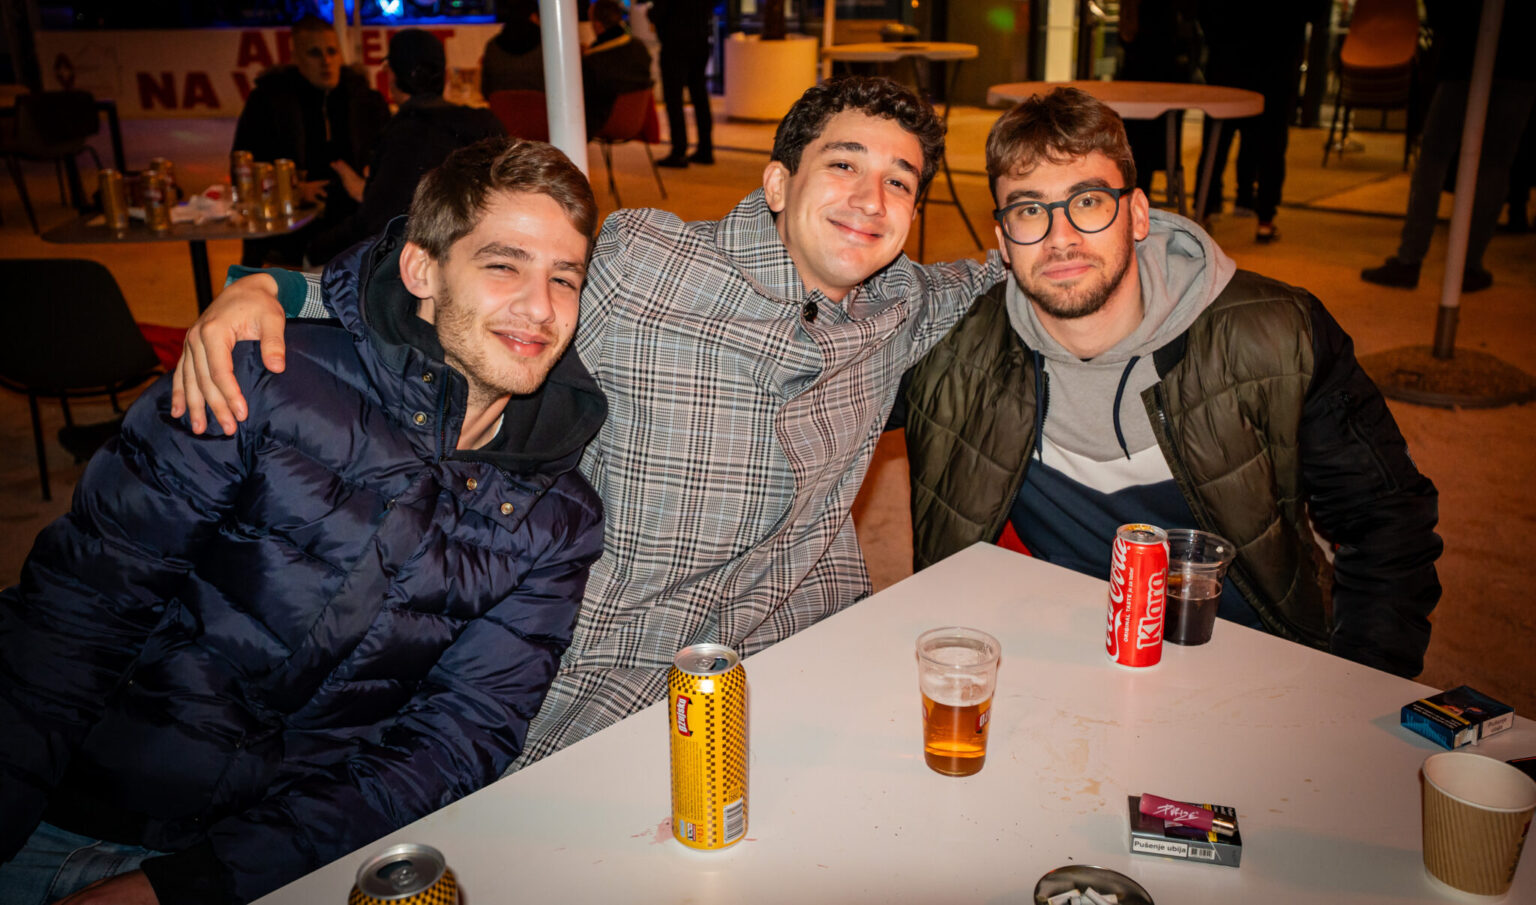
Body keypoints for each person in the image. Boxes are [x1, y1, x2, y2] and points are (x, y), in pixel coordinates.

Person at [168, 76, 1006, 770]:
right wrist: (280, 289)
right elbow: (472, 281)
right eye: (845, 164)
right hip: (613, 659)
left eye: (900, 181)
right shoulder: (650, 261)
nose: (871, 199)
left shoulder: (900, 303)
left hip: (801, 649)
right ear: (779, 184)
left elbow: (1005, 267)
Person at [0, 139, 608, 904]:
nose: (541, 307)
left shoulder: (558, 516)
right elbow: (77, 613)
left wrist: (189, 884)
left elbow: (455, 739)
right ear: (422, 271)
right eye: (503, 265)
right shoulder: (259, 378)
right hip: (69, 805)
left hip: (281, 859)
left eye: (564, 277)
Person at [896, 87, 1443, 680]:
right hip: (1053, 662)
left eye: (1088, 201)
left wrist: (1360, 686)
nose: (1060, 238)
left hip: (1251, 663)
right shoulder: (955, 350)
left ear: (1137, 215)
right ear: (1003, 241)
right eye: (1029, 210)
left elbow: (1387, 519)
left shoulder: (1278, 335)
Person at [1360, 0, 1536, 292]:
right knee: (1494, 163)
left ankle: (1412, 258)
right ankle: (1468, 264)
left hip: (1466, 60)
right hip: (1520, 64)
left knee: (1436, 157)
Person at [1198, 0, 1330, 242]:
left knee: (1217, 139)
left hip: (1230, 67)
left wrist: (1220, 44)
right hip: (1277, 67)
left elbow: (1207, 8)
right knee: (1272, 143)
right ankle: (1265, 218)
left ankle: (1205, 208)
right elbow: (1318, 11)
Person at [312, 28, 505, 264]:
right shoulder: (484, 123)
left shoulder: (405, 134)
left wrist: (313, 250)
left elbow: (376, 223)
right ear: (444, 76)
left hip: (425, 263)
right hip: (483, 253)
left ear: (392, 76)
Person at [231, 16, 390, 266]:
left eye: (332, 52)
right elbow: (244, 169)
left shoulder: (365, 101)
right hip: (290, 230)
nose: (326, 61)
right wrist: (291, 189)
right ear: (295, 58)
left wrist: (365, 187)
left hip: (355, 226)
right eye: (315, 53)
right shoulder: (268, 102)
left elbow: (391, 164)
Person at [1119, 0, 1181, 197]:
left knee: (1134, 143)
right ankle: (1142, 197)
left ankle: (1132, 193)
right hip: (1156, 78)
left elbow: (1127, 36)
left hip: (1133, 75)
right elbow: (1168, 38)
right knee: (1152, 143)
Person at [650, 0, 715, 167]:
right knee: (699, 95)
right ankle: (705, 149)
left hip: (675, 43)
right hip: (700, 41)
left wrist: (652, 16)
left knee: (674, 98)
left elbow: (659, 10)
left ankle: (679, 150)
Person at [581, 0, 654, 133]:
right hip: (637, 119)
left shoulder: (593, 59)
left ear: (598, 25)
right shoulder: (639, 47)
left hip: (604, 122)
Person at [480, 0, 545, 98]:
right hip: (541, 108)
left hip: (501, 108)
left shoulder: (492, 47)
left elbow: (485, 91)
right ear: (533, 17)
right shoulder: (546, 48)